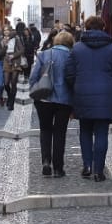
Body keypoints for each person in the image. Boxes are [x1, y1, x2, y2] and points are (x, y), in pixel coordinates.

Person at [64, 15, 112, 182]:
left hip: (82, 94)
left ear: (86, 28)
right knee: (101, 133)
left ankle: (87, 165)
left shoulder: (77, 49)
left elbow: (69, 74)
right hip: (106, 95)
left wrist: (76, 86)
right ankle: (98, 171)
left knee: (85, 130)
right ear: (103, 27)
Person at [30, 30, 75, 177]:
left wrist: (35, 92)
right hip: (64, 100)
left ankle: (46, 161)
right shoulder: (72, 56)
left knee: (45, 130)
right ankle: (58, 168)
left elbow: (33, 76)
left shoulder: (44, 54)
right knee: (60, 133)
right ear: (70, 43)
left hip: (44, 99)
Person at [1, 25, 22, 110]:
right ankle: (10, 97)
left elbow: (22, 50)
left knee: (13, 82)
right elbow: (1, 53)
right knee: (6, 84)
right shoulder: (2, 40)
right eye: (4, 30)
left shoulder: (16, 38)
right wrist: (5, 45)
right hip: (6, 61)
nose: (6, 31)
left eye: (7, 30)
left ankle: (11, 103)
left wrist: (13, 55)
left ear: (10, 30)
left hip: (15, 61)